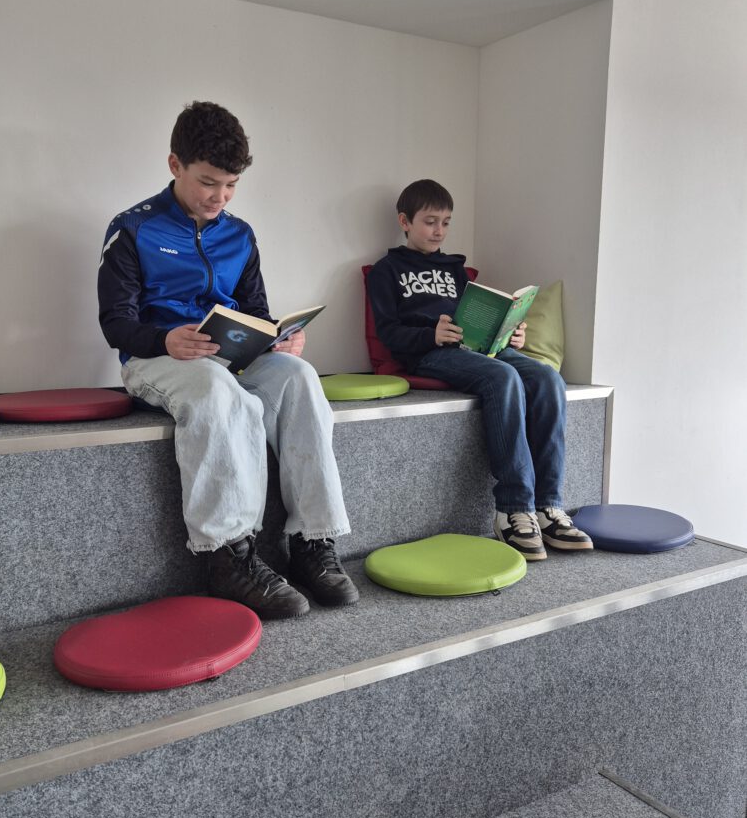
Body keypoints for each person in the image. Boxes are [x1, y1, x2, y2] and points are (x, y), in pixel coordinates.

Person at [98, 101, 358, 616]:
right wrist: (164, 339)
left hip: (230, 357)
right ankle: (229, 556)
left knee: (300, 376)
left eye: (232, 185)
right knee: (217, 391)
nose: (220, 197)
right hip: (158, 360)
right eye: (208, 182)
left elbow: (255, 312)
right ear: (175, 165)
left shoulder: (239, 235)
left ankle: (312, 542)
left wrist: (278, 339)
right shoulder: (133, 229)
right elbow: (115, 323)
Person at [366, 178, 592, 561]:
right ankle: (513, 508)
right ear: (405, 221)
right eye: (430, 222)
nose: (439, 231)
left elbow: (476, 317)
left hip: (479, 348)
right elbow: (389, 333)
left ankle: (547, 505)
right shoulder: (387, 271)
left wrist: (509, 333)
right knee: (503, 378)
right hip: (431, 353)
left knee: (547, 378)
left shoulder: (455, 269)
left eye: (446, 223)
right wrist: (430, 335)